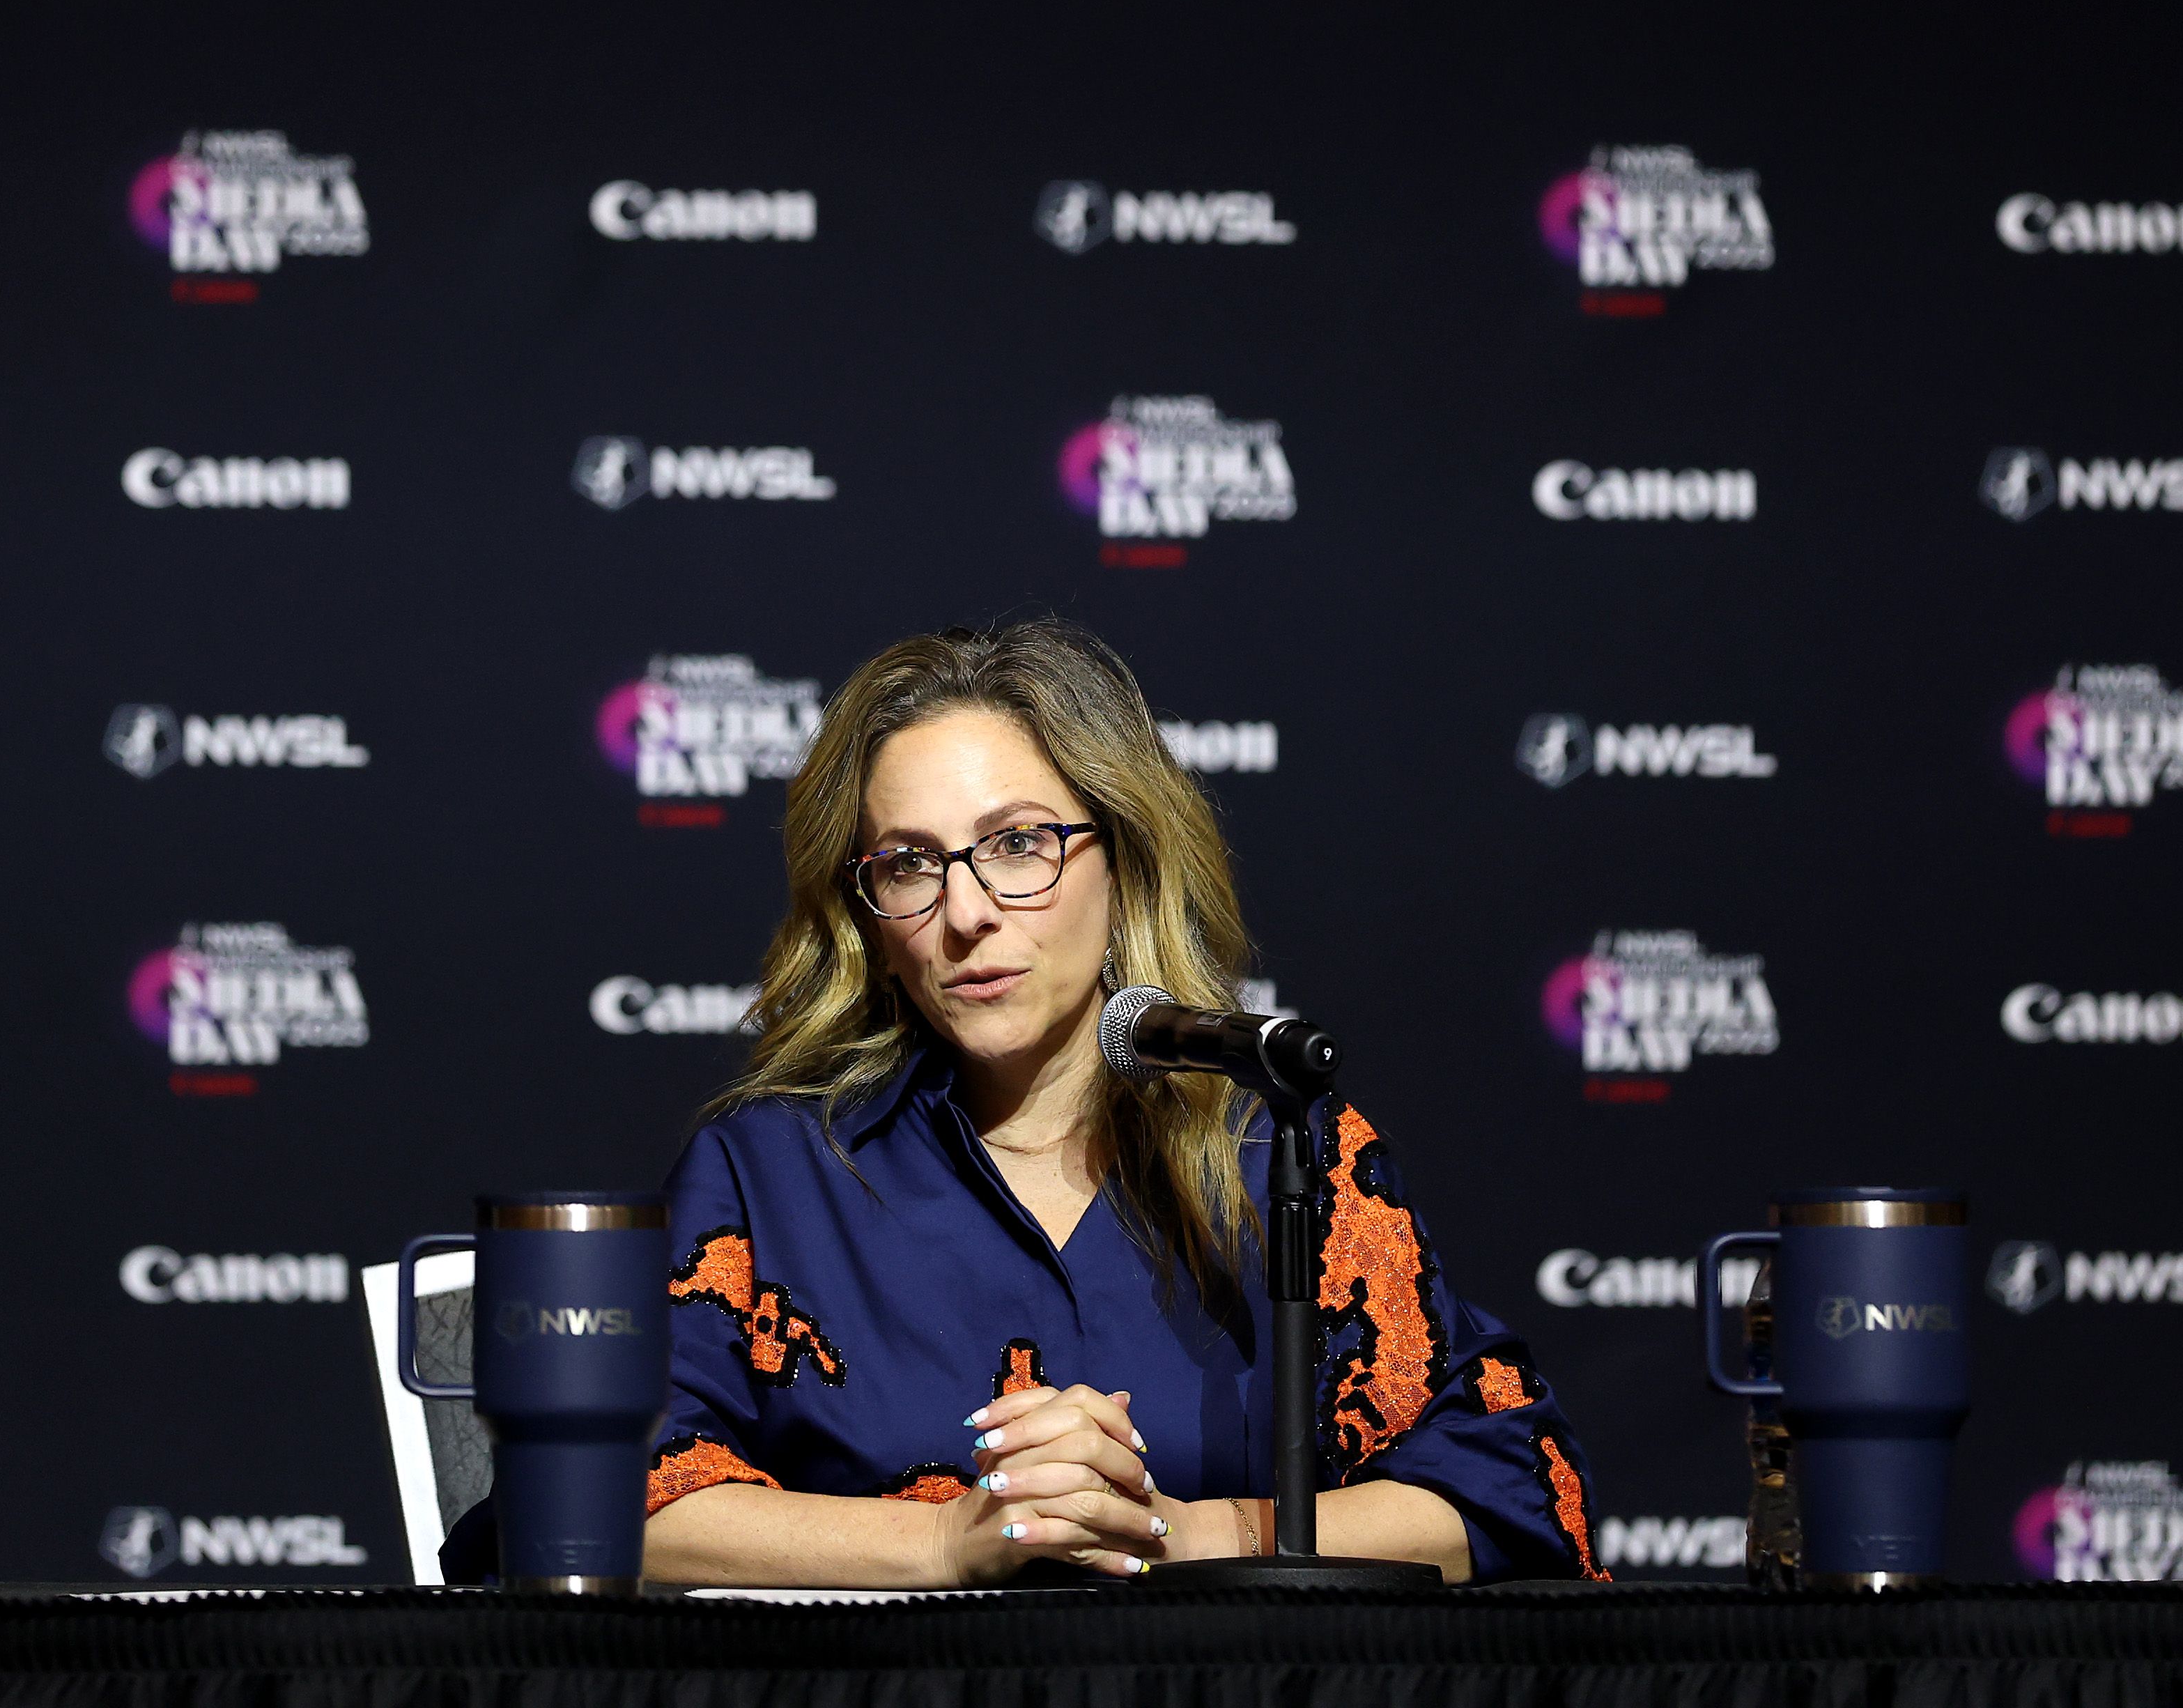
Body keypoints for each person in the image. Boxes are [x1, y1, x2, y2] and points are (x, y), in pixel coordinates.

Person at [641, 621, 1603, 1588]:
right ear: (866, 912)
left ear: (1124, 858)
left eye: (1019, 845)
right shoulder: (767, 1171)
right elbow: (609, 1500)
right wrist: (949, 1543)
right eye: (909, 864)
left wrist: (1180, 1535)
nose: (968, 914)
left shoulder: (1280, 1151)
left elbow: (1516, 1482)